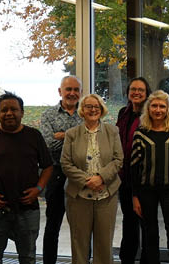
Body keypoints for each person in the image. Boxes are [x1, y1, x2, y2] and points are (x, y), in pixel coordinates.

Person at [0, 92, 53, 264]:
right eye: (4, 110)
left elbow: (48, 166)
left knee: (28, 257)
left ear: (22, 112)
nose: (9, 113)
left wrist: (38, 189)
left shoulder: (34, 136)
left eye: (13, 109)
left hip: (27, 209)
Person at [131, 90, 169, 264]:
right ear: (148, 108)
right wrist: (135, 196)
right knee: (150, 235)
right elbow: (134, 167)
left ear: (168, 109)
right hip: (146, 191)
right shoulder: (141, 132)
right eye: (154, 106)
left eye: (162, 106)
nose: (158, 110)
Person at [61, 94, 123, 264]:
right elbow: (65, 163)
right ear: (82, 110)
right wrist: (89, 180)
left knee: (104, 244)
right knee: (79, 243)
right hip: (79, 197)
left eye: (96, 106)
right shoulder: (72, 134)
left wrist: (101, 178)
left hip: (106, 196)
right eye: (88, 106)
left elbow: (118, 159)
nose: (93, 109)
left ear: (101, 109)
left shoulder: (112, 131)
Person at [40, 75, 83, 264]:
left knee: (82, 227)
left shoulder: (88, 112)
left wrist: (63, 136)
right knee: (53, 225)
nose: (72, 93)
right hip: (56, 175)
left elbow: (91, 142)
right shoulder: (48, 115)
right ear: (60, 91)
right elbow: (48, 144)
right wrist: (77, 137)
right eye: (68, 89)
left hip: (81, 176)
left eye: (76, 90)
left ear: (80, 92)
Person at [116, 77, 152, 264]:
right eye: (133, 89)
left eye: (141, 90)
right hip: (125, 177)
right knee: (128, 222)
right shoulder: (123, 113)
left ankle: (147, 260)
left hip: (145, 178)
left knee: (146, 224)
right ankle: (126, 259)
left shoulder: (151, 115)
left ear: (147, 94)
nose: (136, 92)